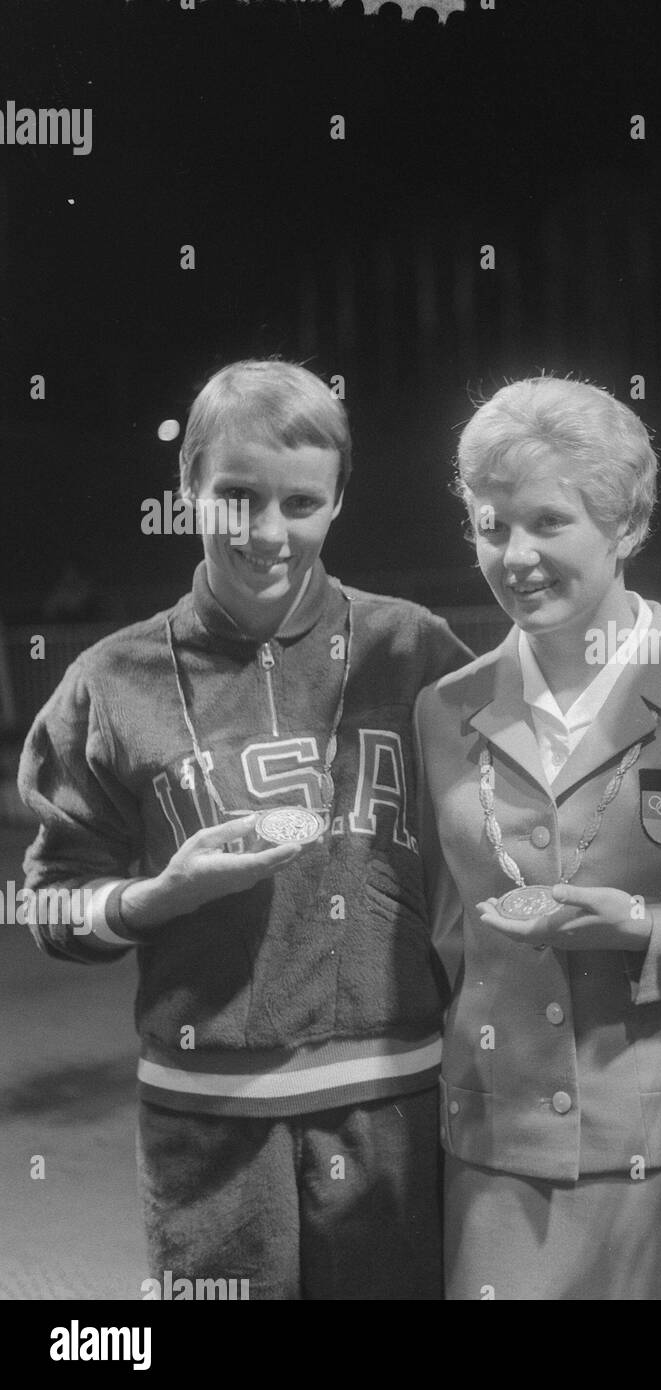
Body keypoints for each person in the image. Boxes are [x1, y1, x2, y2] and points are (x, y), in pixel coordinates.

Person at [20, 359, 472, 1299]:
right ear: (186, 490)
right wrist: (154, 899)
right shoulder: (110, 679)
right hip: (207, 1124)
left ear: (338, 501)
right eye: (234, 496)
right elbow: (49, 906)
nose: (266, 533)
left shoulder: (415, 648)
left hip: (394, 1105)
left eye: (300, 502)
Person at [413, 376, 661, 1299]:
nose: (515, 555)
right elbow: (446, 937)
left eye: (547, 522)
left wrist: (642, 927)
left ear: (625, 526)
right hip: (496, 1165)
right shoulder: (442, 710)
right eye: (490, 525)